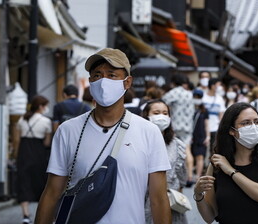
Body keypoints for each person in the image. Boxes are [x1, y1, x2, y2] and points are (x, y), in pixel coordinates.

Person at [35, 48, 171, 224]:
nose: (103, 81)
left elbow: (159, 199)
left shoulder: (149, 132)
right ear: (90, 81)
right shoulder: (67, 130)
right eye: (97, 75)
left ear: (127, 82)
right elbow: (52, 193)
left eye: (112, 75)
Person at [194, 102, 258, 224]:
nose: (254, 127)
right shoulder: (217, 165)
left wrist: (231, 171)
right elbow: (210, 216)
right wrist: (198, 193)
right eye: (246, 123)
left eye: (257, 122)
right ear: (231, 130)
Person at [143, 99, 188, 224]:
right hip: (142, 200)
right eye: (156, 113)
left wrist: (178, 197)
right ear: (146, 115)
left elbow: (181, 175)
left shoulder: (176, 144)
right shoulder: (138, 141)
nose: (161, 116)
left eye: (165, 113)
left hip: (169, 200)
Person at [14, 95, 52, 224]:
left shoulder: (22, 120)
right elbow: (47, 142)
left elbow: (17, 140)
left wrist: (16, 155)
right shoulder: (46, 121)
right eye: (45, 105)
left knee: (23, 183)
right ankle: (40, 214)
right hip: (39, 154)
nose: (46, 108)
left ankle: (26, 215)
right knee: (41, 183)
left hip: (24, 153)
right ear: (41, 107)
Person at [162, 73, 195, 186]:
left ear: (174, 82)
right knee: (187, 150)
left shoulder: (174, 92)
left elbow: (162, 102)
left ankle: (172, 175)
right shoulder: (190, 94)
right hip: (187, 126)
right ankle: (190, 177)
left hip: (175, 125)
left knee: (172, 149)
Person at [202, 78, 226, 151]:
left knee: (213, 150)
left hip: (215, 128)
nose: (220, 87)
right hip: (203, 128)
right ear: (212, 86)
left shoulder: (220, 99)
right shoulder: (203, 97)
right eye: (219, 85)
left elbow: (221, 115)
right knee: (202, 151)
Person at [191, 89, 210, 182]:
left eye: (199, 97)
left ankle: (198, 176)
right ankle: (189, 175)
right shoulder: (189, 108)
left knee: (200, 156)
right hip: (190, 136)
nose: (197, 99)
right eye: (195, 97)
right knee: (190, 156)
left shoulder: (204, 110)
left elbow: (207, 124)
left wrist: (208, 136)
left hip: (201, 136)